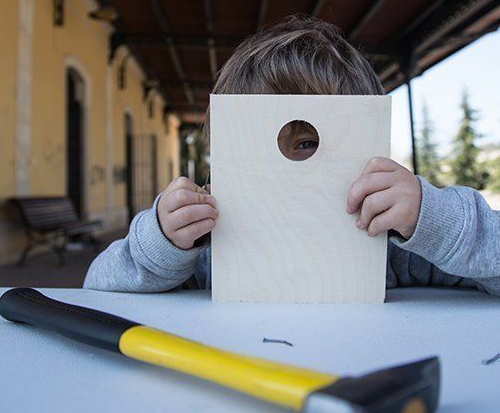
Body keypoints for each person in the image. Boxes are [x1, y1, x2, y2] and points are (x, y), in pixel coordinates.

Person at [83, 15, 500, 297]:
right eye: (259, 146)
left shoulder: (393, 249)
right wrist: (162, 243)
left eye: (306, 144)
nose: (284, 171)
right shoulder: (209, 252)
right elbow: (98, 290)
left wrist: (433, 220)